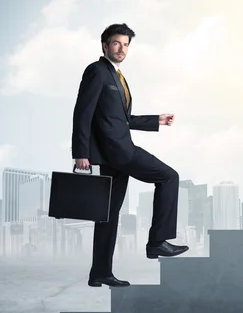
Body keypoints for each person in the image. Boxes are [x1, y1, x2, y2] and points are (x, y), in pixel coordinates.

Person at [71, 23, 188, 288]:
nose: (122, 49)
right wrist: (81, 152)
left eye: (125, 45)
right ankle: (157, 242)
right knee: (169, 177)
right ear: (104, 45)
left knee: (108, 215)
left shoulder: (117, 77)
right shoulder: (96, 71)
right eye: (116, 43)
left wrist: (155, 120)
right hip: (118, 152)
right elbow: (83, 113)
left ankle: (99, 273)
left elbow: (120, 119)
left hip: (116, 152)